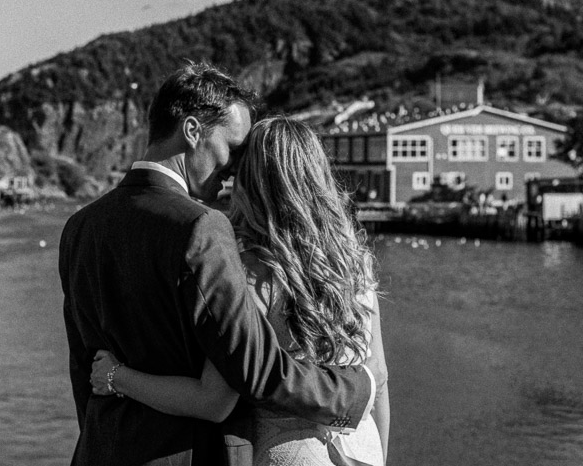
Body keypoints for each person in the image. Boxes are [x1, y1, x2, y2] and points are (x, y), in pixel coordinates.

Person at [59, 64, 376, 466]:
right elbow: (255, 366)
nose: (231, 172)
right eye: (232, 148)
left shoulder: (80, 226)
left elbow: (81, 367)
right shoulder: (201, 226)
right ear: (192, 131)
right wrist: (353, 390)